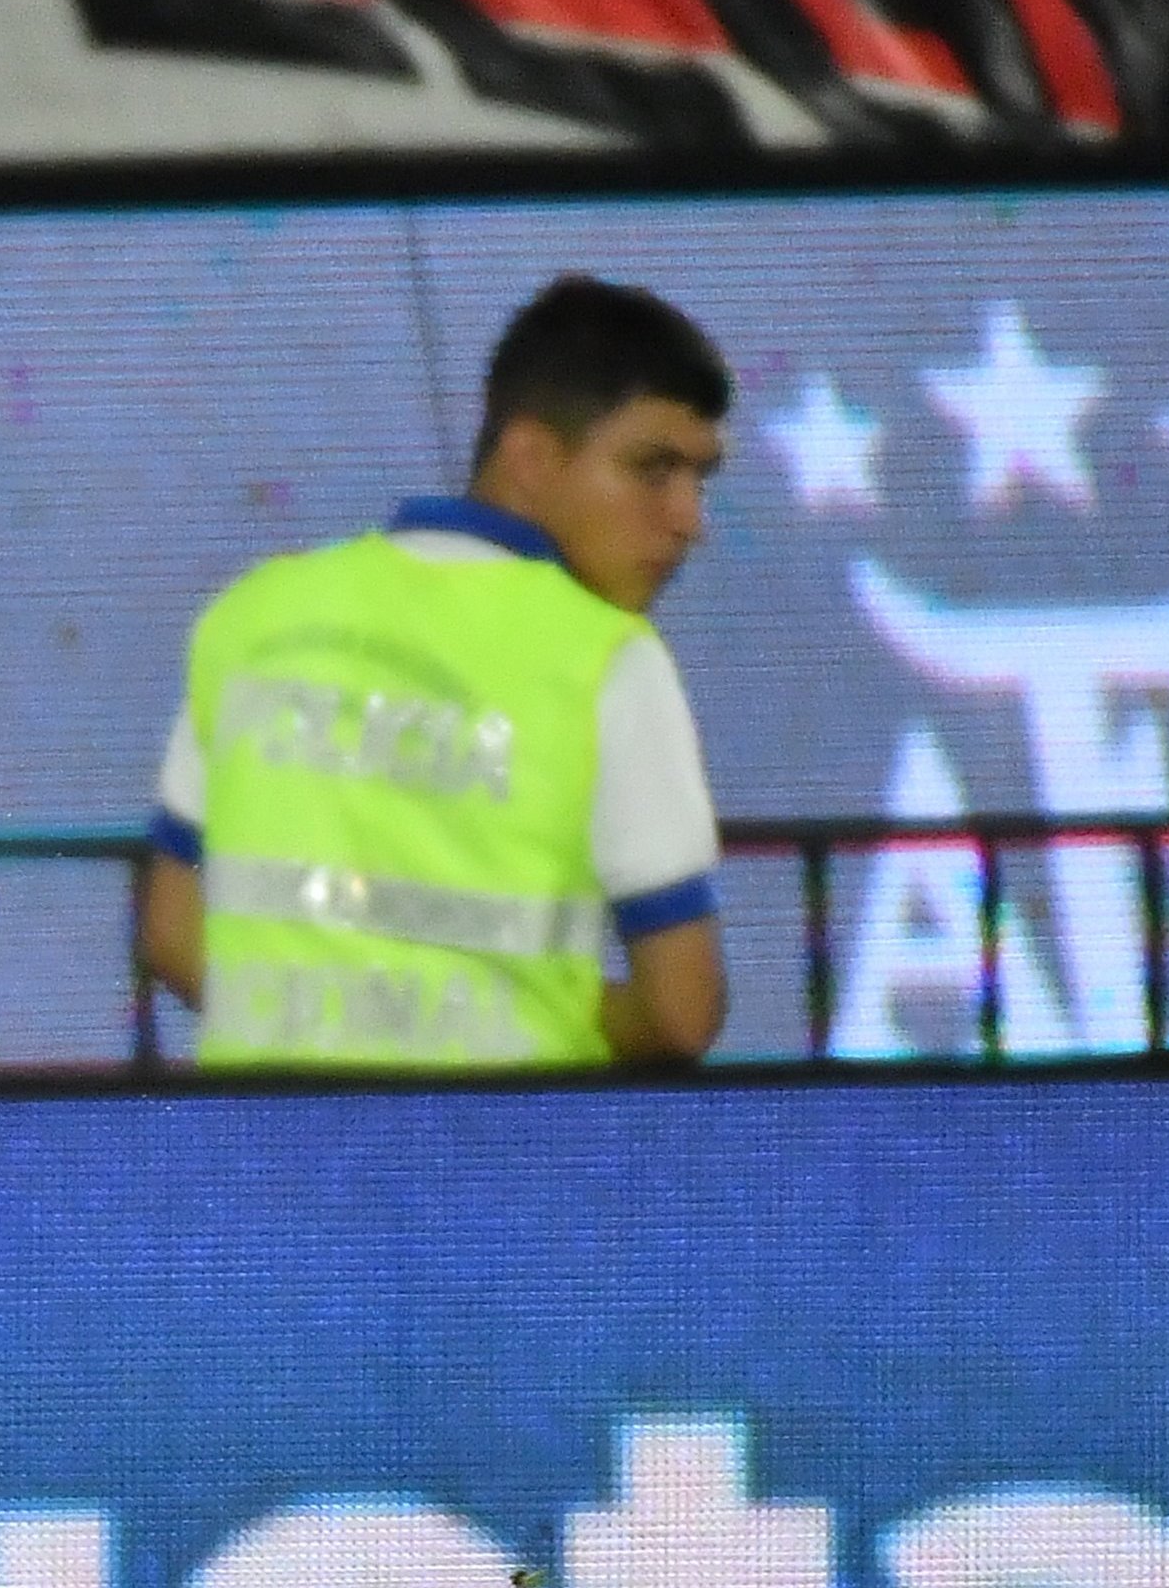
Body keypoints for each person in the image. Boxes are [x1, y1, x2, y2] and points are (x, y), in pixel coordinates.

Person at [137, 274, 731, 1068]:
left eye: (700, 479)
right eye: (654, 470)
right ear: (528, 458)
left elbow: (171, 934)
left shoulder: (249, 617)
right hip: (491, 1162)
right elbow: (681, 1012)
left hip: (262, 1163)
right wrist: (521, 1009)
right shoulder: (609, 661)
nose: (688, 520)